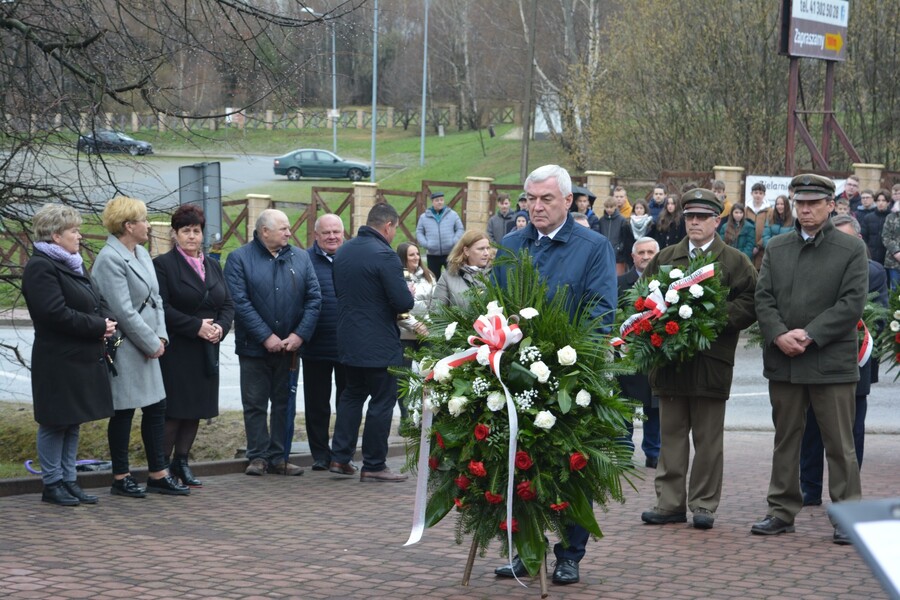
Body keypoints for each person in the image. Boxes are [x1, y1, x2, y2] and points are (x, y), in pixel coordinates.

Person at [492, 164, 618, 586]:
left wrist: (568, 356)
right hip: (513, 374)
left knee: (569, 469)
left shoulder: (592, 246)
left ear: (568, 200)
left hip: (569, 376)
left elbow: (601, 311)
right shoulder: (511, 243)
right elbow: (492, 304)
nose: (537, 206)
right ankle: (526, 551)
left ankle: (569, 554)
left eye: (547, 199)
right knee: (518, 465)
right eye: (531, 198)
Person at [752, 174, 866, 544]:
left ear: (831, 205)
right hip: (784, 360)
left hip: (830, 363)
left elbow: (851, 305)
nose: (805, 209)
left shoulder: (851, 249)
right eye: (800, 203)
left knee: (839, 443)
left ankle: (848, 516)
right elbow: (763, 297)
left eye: (813, 203)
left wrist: (811, 333)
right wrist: (778, 333)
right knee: (786, 439)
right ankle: (781, 511)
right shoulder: (778, 247)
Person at [639, 189, 757, 531]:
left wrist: (715, 317)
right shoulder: (665, 258)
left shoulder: (735, 261)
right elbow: (644, 299)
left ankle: (703, 504)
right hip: (671, 362)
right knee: (671, 436)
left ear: (716, 221)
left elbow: (751, 300)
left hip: (711, 362)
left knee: (707, 440)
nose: (694, 222)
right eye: (690, 216)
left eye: (702, 217)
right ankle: (669, 503)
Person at [92, 196, 189, 497]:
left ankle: (158, 473)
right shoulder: (109, 259)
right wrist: (150, 341)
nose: (148, 225)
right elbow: (122, 311)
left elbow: (156, 300)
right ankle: (120, 476)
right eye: (144, 220)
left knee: (156, 407)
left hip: (150, 343)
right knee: (123, 411)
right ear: (128, 225)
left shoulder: (142, 253)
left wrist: (160, 338)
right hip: (125, 344)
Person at [22, 204, 116, 506]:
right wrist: (96, 325)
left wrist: (107, 321)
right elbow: (53, 313)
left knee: (73, 420)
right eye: (73, 231)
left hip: (80, 357)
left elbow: (95, 298)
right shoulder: (41, 266)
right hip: (57, 359)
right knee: (54, 422)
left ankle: (69, 480)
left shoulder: (73, 262)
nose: (79, 235)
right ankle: (52, 483)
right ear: (54, 235)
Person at [224, 209, 321, 477]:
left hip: (290, 349)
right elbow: (239, 302)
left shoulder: (301, 258)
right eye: (284, 228)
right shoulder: (239, 259)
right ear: (264, 231)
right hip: (253, 348)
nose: (290, 233)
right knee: (255, 403)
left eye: (288, 228)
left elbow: (314, 298)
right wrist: (265, 336)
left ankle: (280, 457)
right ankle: (257, 457)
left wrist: (299, 335)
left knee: (284, 404)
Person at [799, 214, 888, 506]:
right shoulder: (814, 268)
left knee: (851, 433)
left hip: (855, 363)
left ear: (859, 240)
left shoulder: (874, 272)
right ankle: (809, 489)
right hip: (815, 359)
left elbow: (880, 319)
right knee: (811, 428)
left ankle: (848, 494)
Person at [328, 203, 414, 482]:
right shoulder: (385, 256)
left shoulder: (344, 251)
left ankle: (340, 459)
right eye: (394, 229)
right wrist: (408, 291)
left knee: (352, 396)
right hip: (379, 343)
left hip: (349, 339)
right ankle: (374, 464)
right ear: (388, 225)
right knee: (382, 401)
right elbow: (402, 302)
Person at [154, 205, 234, 487]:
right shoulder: (163, 265)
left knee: (197, 409)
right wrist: (195, 326)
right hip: (178, 349)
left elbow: (227, 302)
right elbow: (161, 307)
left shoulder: (212, 264)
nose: (191, 236)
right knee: (175, 411)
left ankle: (182, 462)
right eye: (185, 231)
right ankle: (161, 467)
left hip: (207, 349)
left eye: (196, 231)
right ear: (175, 234)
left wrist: (221, 328)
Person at [299, 214, 347, 472]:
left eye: (336, 232)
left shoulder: (351, 258)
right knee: (316, 404)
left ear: (343, 233)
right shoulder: (304, 260)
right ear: (316, 235)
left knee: (346, 402)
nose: (332, 237)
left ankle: (341, 453)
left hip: (347, 345)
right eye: (326, 232)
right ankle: (320, 454)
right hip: (315, 345)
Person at [617, 236, 661, 469]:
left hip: (654, 355)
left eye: (650, 253)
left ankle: (654, 453)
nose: (645, 257)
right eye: (641, 253)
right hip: (626, 356)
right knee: (624, 406)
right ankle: (625, 451)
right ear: (633, 256)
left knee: (654, 408)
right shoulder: (620, 282)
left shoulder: (667, 283)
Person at [396, 241, 435, 420]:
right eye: (411, 255)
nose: (416, 258)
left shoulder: (428, 276)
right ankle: (406, 417)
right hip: (404, 335)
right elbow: (398, 308)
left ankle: (427, 416)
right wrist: (415, 325)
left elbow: (435, 303)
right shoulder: (396, 277)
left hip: (426, 333)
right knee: (403, 379)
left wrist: (426, 325)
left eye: (417, 254)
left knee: (430, 375)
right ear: (403, 257)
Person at [432, 231, 492, 310]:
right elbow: (437, 311)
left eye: (488, 248)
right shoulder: (448, 276)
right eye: (481, 249)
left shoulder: (497, 273)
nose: (486, 253)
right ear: (466, 251)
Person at [415, 191, 464, 278]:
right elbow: (419, 232)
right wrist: (426, 244)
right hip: (432, 254)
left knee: (453, 277)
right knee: (434, 277)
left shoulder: (453, 215)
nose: (439, 202)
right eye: (437, 200)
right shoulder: (424, 217)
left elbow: (460, 229)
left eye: (441, 200)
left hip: (450, 253)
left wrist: (454, 241)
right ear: (432, 202)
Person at [598, 196, 634, 274]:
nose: (609, 209)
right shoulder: (601, 220)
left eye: (611, 207)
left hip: (618, 256)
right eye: (607, 207)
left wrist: (619, 248)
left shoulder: (622, 220)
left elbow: (625, 238)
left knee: (618, 278)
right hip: (604, 254)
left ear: (615, 207)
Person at [860, 190, 891, 265]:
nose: (880, 203)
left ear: (888, 202)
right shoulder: (868, 218)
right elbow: (863, 237)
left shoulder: (892, 218)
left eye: (883, 200)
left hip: (888, 258)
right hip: (871, 256)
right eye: (878, 200)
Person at [746, 182, 771, 270]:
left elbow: (769, 230)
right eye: (756, 192)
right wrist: (750, 246)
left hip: (762, 249)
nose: (758, 195)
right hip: (748, 248)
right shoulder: (746, 210)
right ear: (751, 194)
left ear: (764, 195)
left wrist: (758, 245)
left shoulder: (769, 211)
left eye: (760, 193)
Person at [884, 197, 900, 290]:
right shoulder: (891, 217)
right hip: (894, 261)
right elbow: (886, 236)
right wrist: (897, 252)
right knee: (895, 290)